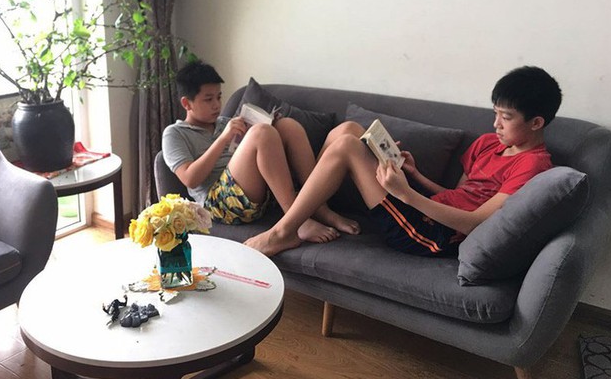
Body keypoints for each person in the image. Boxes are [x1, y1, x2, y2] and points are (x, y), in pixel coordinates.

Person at [246, 66, 562, 256]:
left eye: (506, 117)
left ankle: (283, 232)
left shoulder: (533, 166)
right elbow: (456, 195)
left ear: (536, 122)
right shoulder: (487, 144)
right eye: (495, 113)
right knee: (349, 130)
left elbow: (475, 222)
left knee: (347, 146)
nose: (496, 124)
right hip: (426, 208)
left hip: (434, 236)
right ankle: (319, 210)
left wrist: (406, 193)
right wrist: (415, 174)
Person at [162, 60, 359, 243]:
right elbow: (190, 179)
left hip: (258, 191)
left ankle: (320, 209)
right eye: (208, 99)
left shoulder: (225, 123)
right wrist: (224, 139)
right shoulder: (174, 133)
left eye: (219, 97)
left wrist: (271, 129)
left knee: (287, 125)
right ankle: (296, 222)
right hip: (219, 204)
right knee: (261, 133)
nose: (216, 105)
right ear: (187, 103)